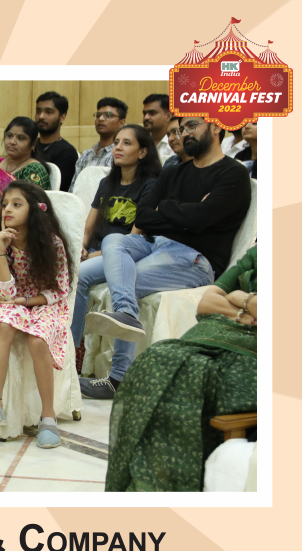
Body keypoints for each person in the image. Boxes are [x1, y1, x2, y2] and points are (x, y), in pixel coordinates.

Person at [79, 116, 252, 399]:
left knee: (126, 281)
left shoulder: (233, 174)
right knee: (113, 240)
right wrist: (185, 212)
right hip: (153, 243)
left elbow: (201, 220)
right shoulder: (173, 172)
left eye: (192, 125)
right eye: (183, 129)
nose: (185, 133)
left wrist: (167, 209)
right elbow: (143, 216)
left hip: (194, 257)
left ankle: (118, 378)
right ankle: (122, 319)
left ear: (216, 126)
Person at [105, 246, 257, 492]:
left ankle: (177, 488)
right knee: (155, 359)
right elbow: (207, 303)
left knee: (196, 373)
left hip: (252, 353)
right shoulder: (258, 254)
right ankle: (143, 482)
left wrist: (236, 296)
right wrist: (246, 303)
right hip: (215, 334)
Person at [0, 182, 73, 448]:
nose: (7, 210)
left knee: (37, 341)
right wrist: (2, 250)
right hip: (14, 301)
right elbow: (5, 291)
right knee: (5, 326)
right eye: (5, 204)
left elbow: (59, 290)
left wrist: (26, 301)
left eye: (16, 204)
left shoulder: (53, 243)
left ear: (35, 209)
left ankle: (48, 417)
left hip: (45, 303)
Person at [70, 125, 162, 373]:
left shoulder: (151, 185)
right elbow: (88, 228)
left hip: (126, 253)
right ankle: (61, 344)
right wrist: (82, 247)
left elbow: (134, 237)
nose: (118, 147)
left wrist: (93, 255)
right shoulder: (106, 183)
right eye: (117, 142)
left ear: (143, 152)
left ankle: (72, 353)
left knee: (79, 275)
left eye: (126, 143)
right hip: (96, 251)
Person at [0, 117, 51, 215]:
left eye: (20, 138)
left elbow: (26, 209)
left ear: (34, 143)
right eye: (9, 136)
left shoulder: (34, 169)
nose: (12, 142)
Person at [67, 98, 127, 192]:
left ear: (121, 123)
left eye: (108, 115)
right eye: (98, 115)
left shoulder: (121, 155)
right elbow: (73, 190)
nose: (101, 119)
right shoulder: (86, 155)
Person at [34, 91, 78, 191]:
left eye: (48, 112)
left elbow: (58, 191)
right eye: (38, 111)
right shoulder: (29, 145)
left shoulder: (67, 152)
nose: (41, 116)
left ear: (62, 117)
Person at [142, 94, 174, 163]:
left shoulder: (176, 143)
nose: (146, 117)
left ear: (168, 116)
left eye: (152, 113)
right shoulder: (140, 142)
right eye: (144, 114)